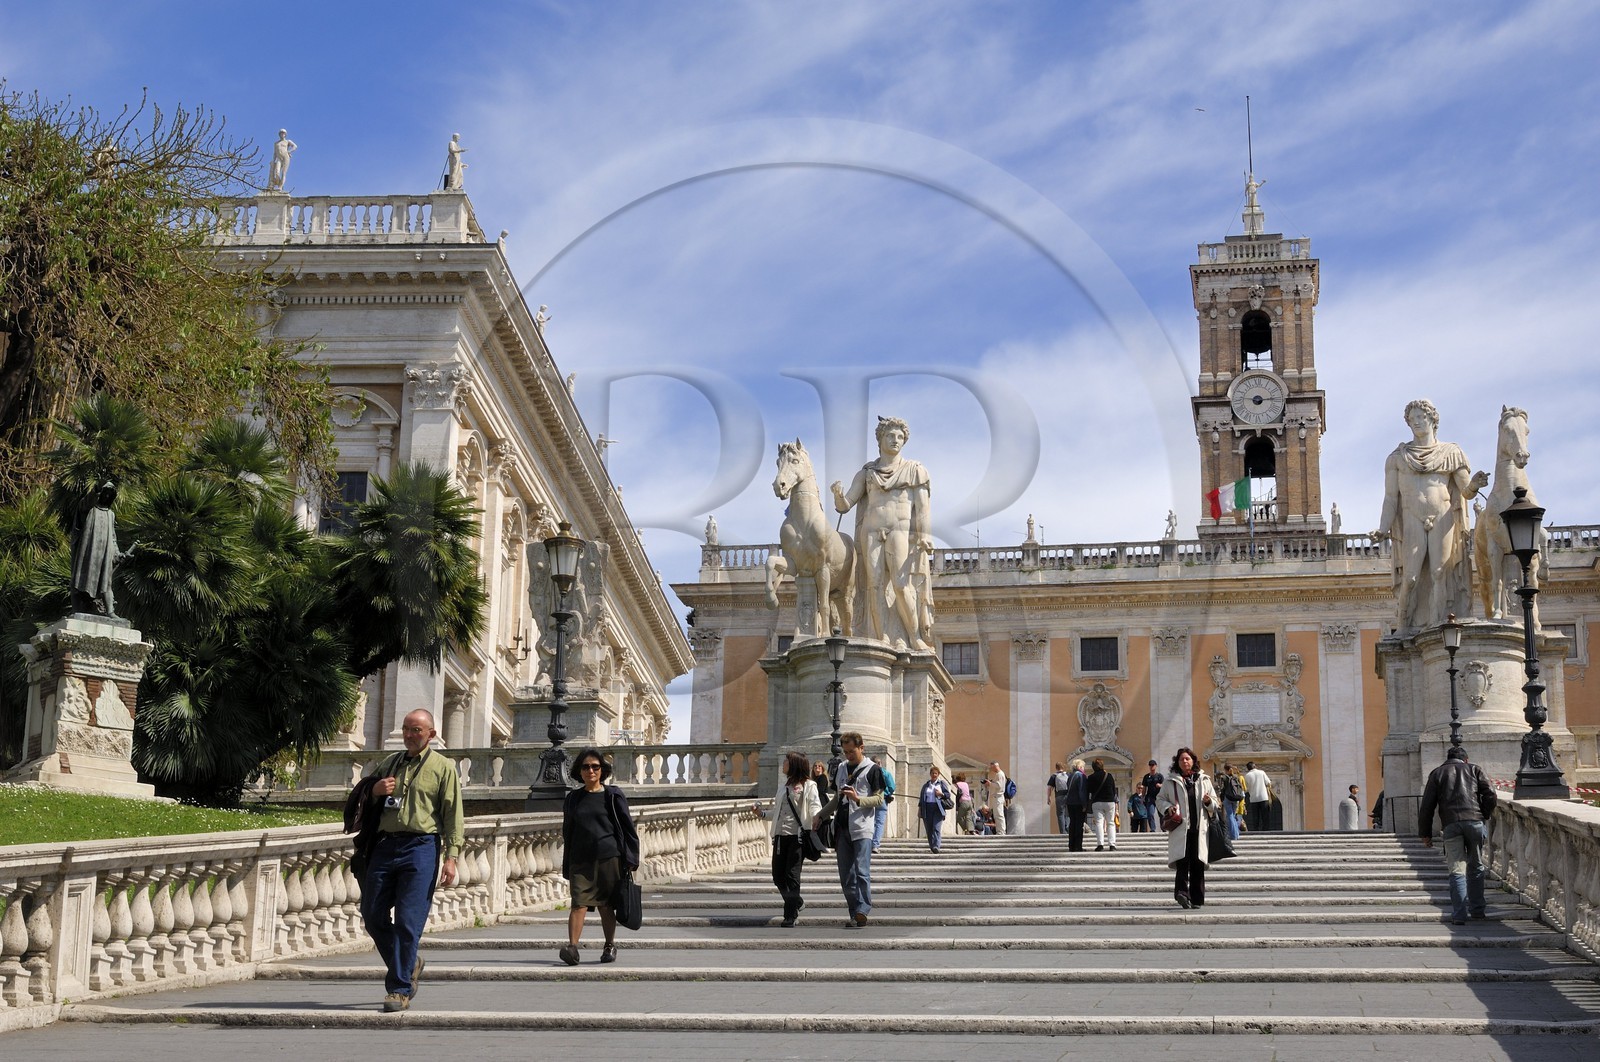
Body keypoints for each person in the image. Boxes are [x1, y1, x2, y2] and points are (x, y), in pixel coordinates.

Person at [359, 709, 462, 1012]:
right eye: (405, 729)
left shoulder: (443, 768)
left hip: (421, 846)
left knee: (408, 920)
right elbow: (366, 796)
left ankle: (399, 989)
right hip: (385, 845)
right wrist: (375, 790)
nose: (409, 735)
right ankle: (409, 963)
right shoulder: (390, 763)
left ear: (431, 734)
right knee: (372, 913)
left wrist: (452, 856)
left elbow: (453, 814)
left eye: (416, 730)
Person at [1375, 399, 1490, 632]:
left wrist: (1475, 484)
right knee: (1411, 577)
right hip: (1412, 518)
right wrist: (1382, 527)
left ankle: (1438, 627)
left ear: (1432, 420)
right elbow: (1390, 498)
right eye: (1412, 419)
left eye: (1421, 417)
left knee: (1441, 571)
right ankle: (1403, 626)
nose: (1417, 422)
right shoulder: (1397, 458)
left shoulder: (1451, 453)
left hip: (1443, 517)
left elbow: (1466, 491)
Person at [830, 416, 934, 651]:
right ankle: (882, 635)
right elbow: (846, 505)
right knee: (873, 585)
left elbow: (923, 507)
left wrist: (925, 535)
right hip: (871, 530)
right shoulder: (868, 472)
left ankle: (914, 636)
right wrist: (838, 494)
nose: (896, 440)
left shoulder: (915, 470)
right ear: (880, 439)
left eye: (900, 437)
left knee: (900, 584)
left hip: (900, 529)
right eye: (890, 435)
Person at [560, 748, 640, 965]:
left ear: (602, 770)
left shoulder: (612, 795)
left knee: (606, 905)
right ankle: (572, 948)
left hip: (609, 857)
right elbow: (568, 830)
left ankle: (609, 945)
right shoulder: (574, 798)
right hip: (580, 859)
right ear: (580, 771)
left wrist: (631, 858)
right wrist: (567, 861)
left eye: (595, 767)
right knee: (578, 904)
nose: (591, 770)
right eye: (586, 767)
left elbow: (627, 827)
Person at [813, 732, 885, 928]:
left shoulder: (872, 770)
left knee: (862, 871)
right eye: (845, 752)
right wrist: (820, 815)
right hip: (842, 827)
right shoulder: (842, 768)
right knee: (846, 875)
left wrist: (858, 799)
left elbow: (879, 799)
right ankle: (854, 913)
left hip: (862, 827)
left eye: (851, 751)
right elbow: (837, 799)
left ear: (861, 748)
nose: (848, 755)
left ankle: (863, 908)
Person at [1418, 747, 1497, 925]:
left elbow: (1427, 806)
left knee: (1456, 870)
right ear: (1466, 759)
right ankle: (1477, 910)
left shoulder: (1437, 773)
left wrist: (1425, 834)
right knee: (1476, 866)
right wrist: (1484, 813)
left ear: (1448, 759)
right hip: (1474, 821)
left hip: (1451, 824)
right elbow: (1490, 794)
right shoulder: (1475, 769)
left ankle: (1459, 914)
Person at [1157, 747, 1219, 908]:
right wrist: (1167, 807)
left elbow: (1215, 802)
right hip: (1181, 829)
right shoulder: (1170, 781)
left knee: (1198, 863)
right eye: (1181, 759)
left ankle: (1197, 899)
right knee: (1182, 862)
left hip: (1199, 829)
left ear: (1193, 761)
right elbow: (1160, 799)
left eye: (1187, 759)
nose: (1185, 761)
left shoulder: (1204, 780)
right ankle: (1182, 894)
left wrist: (1208, 802)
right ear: (1177, 763)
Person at [768, 751, 821, 927]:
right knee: (777, 876)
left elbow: (815, 806)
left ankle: (790, 915)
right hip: (780, 836)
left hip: (797, 836)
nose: (783, 764)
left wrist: (816, 819)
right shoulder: (783, 787)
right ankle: (797, 902)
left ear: (795, 765)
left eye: (786, 761)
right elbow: (777, 812)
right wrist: (760, 813)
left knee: (791, 875)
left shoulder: (809, 785)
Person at [70, 479, 125, 617]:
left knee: (106, 582)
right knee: (79, 580)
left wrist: (117, 554)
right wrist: (96, 489)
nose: (106, 496)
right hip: (87, 552)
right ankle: (76, 610)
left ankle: (110, 611)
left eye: (109, 494)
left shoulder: (110, 514)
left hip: (104, 555)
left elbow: (113, 538)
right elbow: (87, 501)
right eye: (104, 493)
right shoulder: (88, 509)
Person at [918, 765, 953, 853]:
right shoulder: (926, 785)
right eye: (933, 773)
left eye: (936, 773)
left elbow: (948, 795)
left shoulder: (941, 784)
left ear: (938, 774)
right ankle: (932, 846)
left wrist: (941, 794)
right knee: (929, 829)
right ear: (930, 774)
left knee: (936, 828)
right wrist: (919, 810)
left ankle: (936, 846)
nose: (934, 775)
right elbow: (921, 798)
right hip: (927, 808)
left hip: (938, 808)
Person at [1088, 757, 1118, 851]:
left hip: (1097, 802)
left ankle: (1100, 844)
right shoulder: (1109, 776)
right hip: (1109, 802)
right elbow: (1113, 790)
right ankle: (1112, 845)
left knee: (1099, 823)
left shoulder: (1091, 777)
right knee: (1110, 823)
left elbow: (1089, 790)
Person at [871, 757, 896, 852]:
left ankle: (868, 843)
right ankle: (875, 845)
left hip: (870, 799)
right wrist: (887, 793)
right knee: (879, 823)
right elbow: (892, 787)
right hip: (882, 799)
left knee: (870, 822)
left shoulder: (869, 773)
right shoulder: (886, 773)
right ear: (880, 763)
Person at [1064, 758, 1090, 851]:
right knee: (1079, 825)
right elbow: (1082, 791)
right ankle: (1078, 846)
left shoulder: (1070, 776)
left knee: (1072, 824)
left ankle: (1071, 846)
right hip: (1078, 803)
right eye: (1083, 767)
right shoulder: (1081, 776)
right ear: (1079, 767)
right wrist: (1084, 805)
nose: (1084, 769)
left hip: (1070, 803)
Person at [1243, 761, 1272, 834]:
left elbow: (1246, 788)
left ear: (1248, 768)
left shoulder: (1247, 776)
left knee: (1255, 816)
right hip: (1263, 797)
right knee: (1265, 815)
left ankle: (1256, 830)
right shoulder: (1261, 772)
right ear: (1255, 766)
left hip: (1253, 798)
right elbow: (1268, 782)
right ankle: (1266, 830)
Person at [1218, 763, 1245, 840]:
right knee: (1233, 816)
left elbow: (1221, 787)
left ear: (1226, 770)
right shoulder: (1236, 777)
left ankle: (1233, 835)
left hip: (1228, 798)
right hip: (1236, 798)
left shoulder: (1225, 777)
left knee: (1229, 816)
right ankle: (1236, 834)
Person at [1139, 759, 1166, 833]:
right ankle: (1153, 829)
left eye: (1153, 765)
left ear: (1156, 766)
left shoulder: (1159, 776)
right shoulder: (1146, 777)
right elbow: (1144, 787)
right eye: (1150, 765)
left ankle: (1163, 828)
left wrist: (1160, 785)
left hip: (1159, 798)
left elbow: (1165, 785)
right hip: (1150, 798)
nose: (1151, 767)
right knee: (1150, 813)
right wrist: (1142, 797)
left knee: (1161, 814)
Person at [1045, 762, 1072, 835]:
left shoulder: (1054, 776)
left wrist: (1049, 797)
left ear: (1056, 767)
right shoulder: (1068, 775)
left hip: (1059, 796)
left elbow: (1049, 788)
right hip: (1068, 796)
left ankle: (1063, 832)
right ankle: (1068, 830)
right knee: (1068, 813)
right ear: (1063, 767)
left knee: (1060, 814)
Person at [985, 761, 1009, 836]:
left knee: (999, 814)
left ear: (995, 766)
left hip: (998, 797)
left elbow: (999, 786)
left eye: (991, 767)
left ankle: (1001, 831)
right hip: (996, 797)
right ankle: (1000, 831)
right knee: (997, 815)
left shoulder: (1000, 774)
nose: (991, 769)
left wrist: (990, 783)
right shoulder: (998, 774)